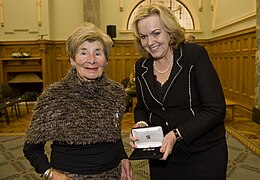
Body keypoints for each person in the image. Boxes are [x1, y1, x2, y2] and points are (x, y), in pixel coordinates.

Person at [129, 3, 227, 180]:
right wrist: (141, 125)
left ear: (170, 31)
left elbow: (216, 109)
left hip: (203, 152)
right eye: (143, 37)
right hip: (162, 155)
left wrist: (176, 134)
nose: (150, 42)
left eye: (156, 33)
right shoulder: (141, 66)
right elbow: (142, 107)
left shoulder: (194, 56)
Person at [23, 22, 132, 180]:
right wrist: (50, 173)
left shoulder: (116, 93)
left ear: (106, 60)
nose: (91, 60)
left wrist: (123, 156)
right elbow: (31, 148)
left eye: (98, 53)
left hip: (112, 174)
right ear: (72, 60)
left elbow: (113, 136)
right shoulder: (53, 96)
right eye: (83, 52)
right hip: (68, 177)